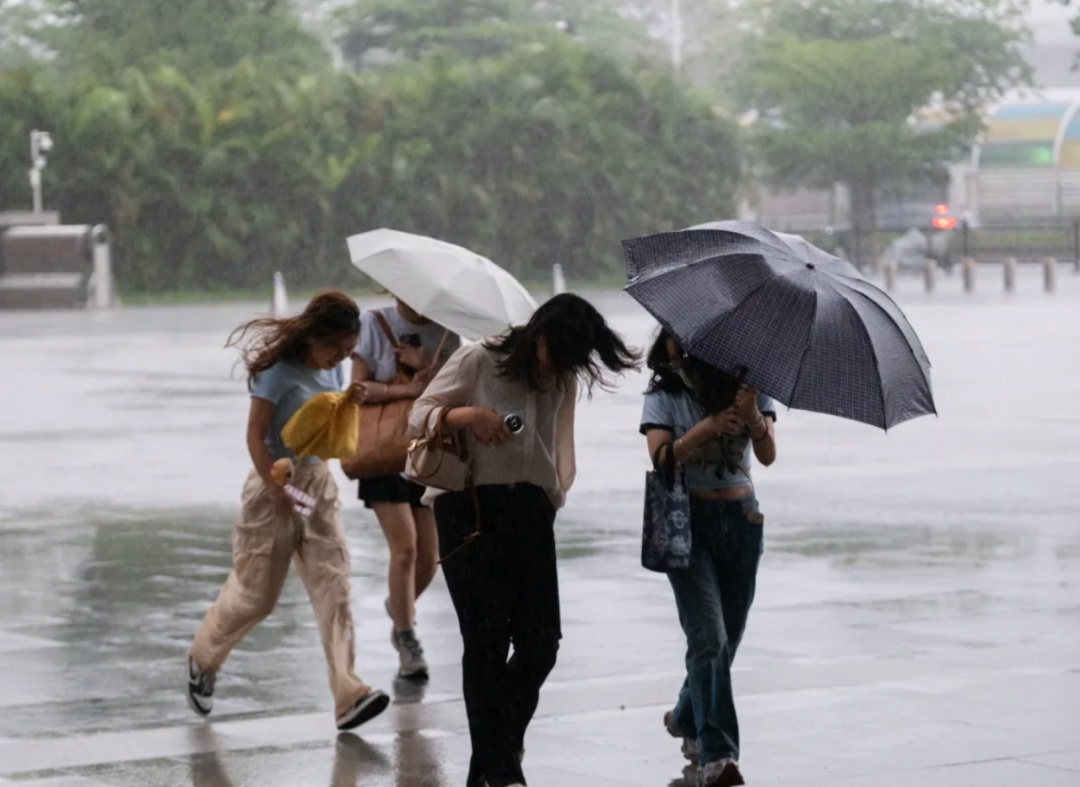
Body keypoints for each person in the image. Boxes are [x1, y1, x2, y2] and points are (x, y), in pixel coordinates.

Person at [408, 293, 639, 787]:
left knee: (541, 643)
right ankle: (504, 771)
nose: (557, 368)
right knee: (486, 642)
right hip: (468, 509)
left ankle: (491, 762)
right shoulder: (478, 359)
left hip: (530, 512)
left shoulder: (563, 378)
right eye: (557, 354)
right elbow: (418, 415)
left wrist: (553, 495)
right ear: (538, 336)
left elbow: (559, 446)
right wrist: (468, 417)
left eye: (571, 360)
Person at [187, 290, 390, 731]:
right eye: (337, 348)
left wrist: (349, 403)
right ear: (314, 336)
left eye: (349, 350)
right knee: (258, 596)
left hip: (317, 486)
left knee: (334, 586)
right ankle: (203, 657)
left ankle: (348, 694)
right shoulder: (276, 373)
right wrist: (274, 486)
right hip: (273, 488)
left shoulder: (333, 368)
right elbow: (254, 435)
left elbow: (321, 424)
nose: (343, 357)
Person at [640, 330, 777, 787]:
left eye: (687, 341)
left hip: (742, 521)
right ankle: (717, 755)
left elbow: (768, 455)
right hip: (687, 522)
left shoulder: (752, 387)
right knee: (708, 636)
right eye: (672, 340)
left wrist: (752, 416)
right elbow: (661, 458)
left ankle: (685, 714)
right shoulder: (663, 394)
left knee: (728, 637)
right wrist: (707, 428)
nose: (679, 349)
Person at [350, 297, 460, 680]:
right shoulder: (374, 323)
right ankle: (406, 636)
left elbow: (455, 393)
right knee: (406, 548)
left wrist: (425, 368)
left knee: (430, 557)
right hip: (383, 451)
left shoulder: (446, 332)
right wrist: (407, 389)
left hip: (425, 450)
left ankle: (399, 607)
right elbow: (356, 389)